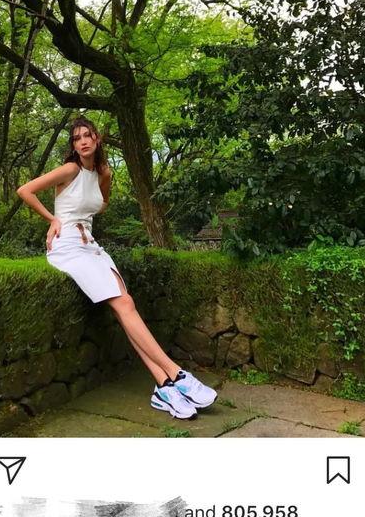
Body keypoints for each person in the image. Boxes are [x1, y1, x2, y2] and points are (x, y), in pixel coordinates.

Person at [17, 117, 217, 419]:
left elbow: (102, 204)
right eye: (77, 138)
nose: (83, 141)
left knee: (126, 306)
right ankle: (177, 374)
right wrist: (54, 219)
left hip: (91, 246)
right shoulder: (69, 169)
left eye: (88, 135)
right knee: (124, 304)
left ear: (97, 139)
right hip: (67, 247)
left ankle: (163, 387)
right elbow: (25, 190)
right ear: (73, 145)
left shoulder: (104, 173)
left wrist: (84, 218)